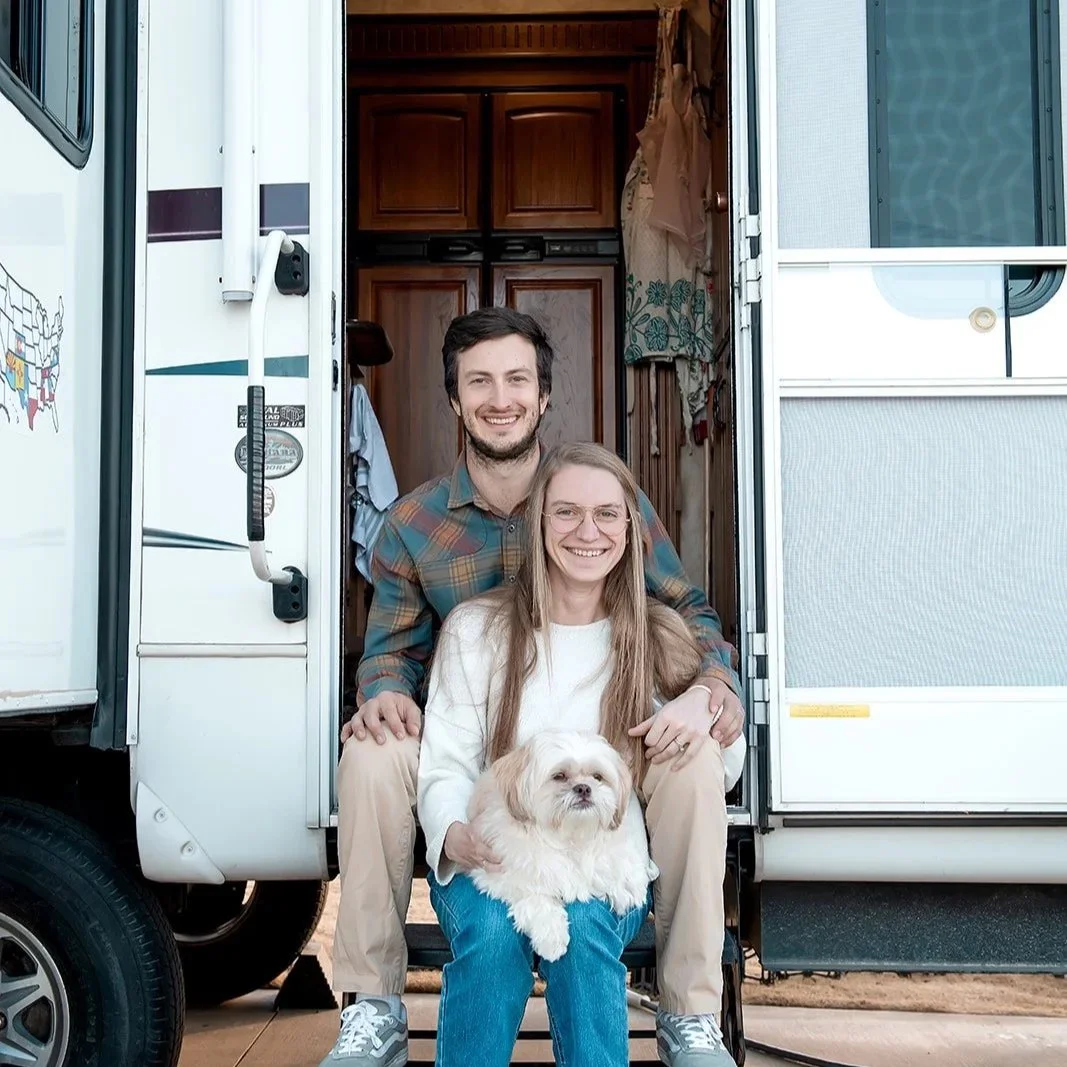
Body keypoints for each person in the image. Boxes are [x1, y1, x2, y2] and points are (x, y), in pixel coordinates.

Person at [319, 307, 744, 1067]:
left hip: (596, 749)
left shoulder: (597, 499)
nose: (499, 396)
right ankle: (374, 1004)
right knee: (372, 757)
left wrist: (710, 690)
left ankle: (688, 1013)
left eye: (517, 379)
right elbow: (390, 650)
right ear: (454, 400)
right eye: (478, 382)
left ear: (544, 395)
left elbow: (682, 613)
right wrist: (382, 691)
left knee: (694, 759)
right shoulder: (415, 523)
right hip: (470, 741)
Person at [418, 440, 746, 1067]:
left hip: (602, 862)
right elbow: (445, 763)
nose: (586, 531)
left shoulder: (656, 638)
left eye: (606, 514)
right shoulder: (475, 629)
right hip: (496, 858)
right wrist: (452, 831)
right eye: (566, 512)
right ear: (539, 523)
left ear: (630, 529)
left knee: (589, 935)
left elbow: (720, 772)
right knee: (489, 937)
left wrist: (701, 706)